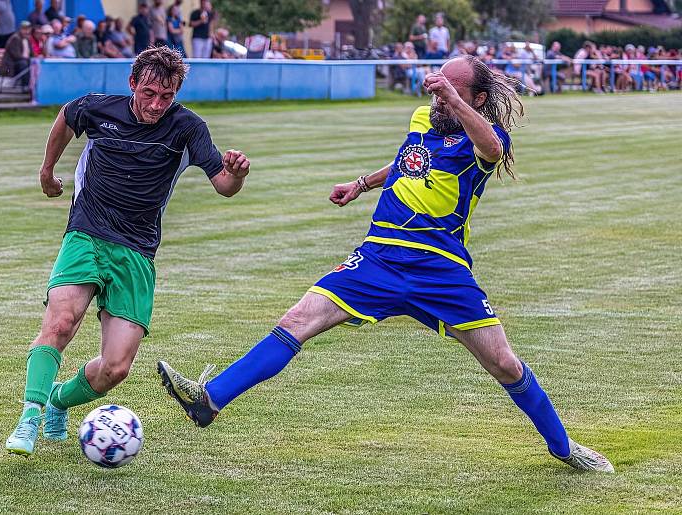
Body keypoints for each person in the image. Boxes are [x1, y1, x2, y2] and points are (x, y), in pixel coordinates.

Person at [157, 55, 615, 474]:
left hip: (441, 267)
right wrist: (361, 183)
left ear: (475, 97)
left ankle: (562, 446)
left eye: (452, 89)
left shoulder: (485, 135)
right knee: (297, 318)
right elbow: (406, 161)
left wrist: (455, 102)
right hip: (379, 256)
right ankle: (209, 400)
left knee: (504, 363)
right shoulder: (421, 118)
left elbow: (493, 150)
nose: (439, 96)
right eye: (438, 86)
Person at [4, 46, 252, 457]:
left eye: (166, 96)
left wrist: (238, 175)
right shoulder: (99, 109)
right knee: (61, 322)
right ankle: (28, 417)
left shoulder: (187, 128)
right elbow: (67, 116)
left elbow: (222, 185)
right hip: (86, 232)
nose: (157, 104)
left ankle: (57, 401)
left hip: (137, 250)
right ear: (133, 83)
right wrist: (47, 170)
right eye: (150, 92)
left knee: (116, 367)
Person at [2, 20, 31, 86]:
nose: (26, 31)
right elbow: (16, 56)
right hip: (10, 65)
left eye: (28, 29)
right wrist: (29, 59)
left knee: (35, 63)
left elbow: (31, 53)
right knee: (24, 63)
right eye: (24, 29)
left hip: (22, 62)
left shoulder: (27, 39)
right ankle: (25, 85)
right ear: (20, 29)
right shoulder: (15, 38)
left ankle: (33, 85)